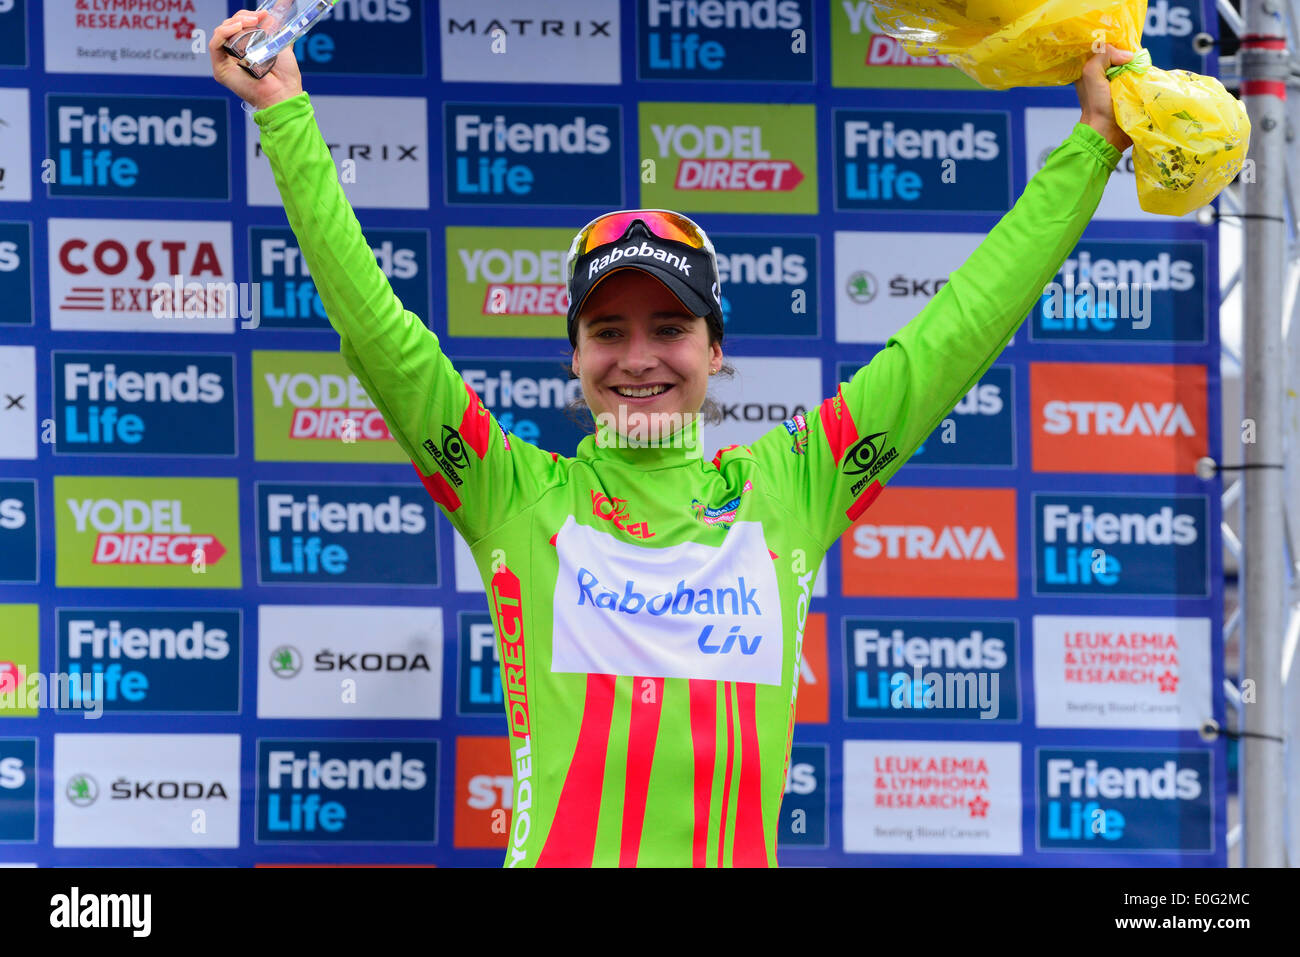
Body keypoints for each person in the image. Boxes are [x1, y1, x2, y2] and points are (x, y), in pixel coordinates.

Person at [211, 10, 1132, 867]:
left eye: (670, 327)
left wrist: (1090, 148)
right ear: (573, 356)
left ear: (715, 348)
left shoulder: (793, 485)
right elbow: (379, 334)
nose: (639, 358)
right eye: (608, 332)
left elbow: (957, 332)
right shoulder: (515, 494)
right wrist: (287, 117)